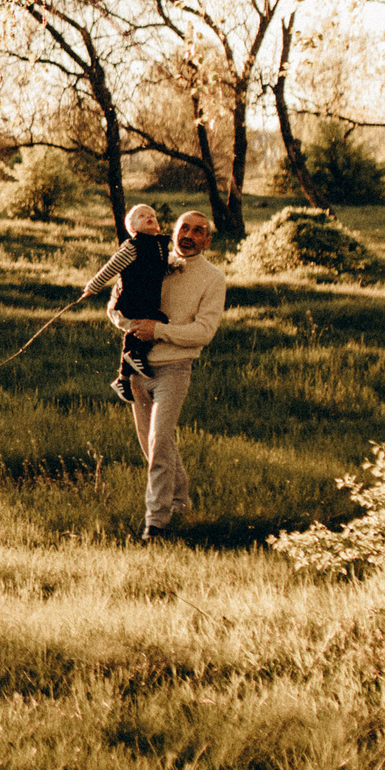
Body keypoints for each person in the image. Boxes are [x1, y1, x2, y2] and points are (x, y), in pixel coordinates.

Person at [107, 209, 225, 538]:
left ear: (207, 240)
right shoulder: (149, 259)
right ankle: (180, 501)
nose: (189, 235)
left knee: (159, 443)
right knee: (155, 444)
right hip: (136, 366)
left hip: (174, 368)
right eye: (184, 227)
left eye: (198, 231)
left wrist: (158, 330)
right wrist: (133, 326)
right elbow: (115, 306)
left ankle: (155, 522)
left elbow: (203, 332)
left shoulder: (213, 278)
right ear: (172, 231)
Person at [107, 204, 169, 406]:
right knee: (139, 330)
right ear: (132, 227)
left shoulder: (158, 245)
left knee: (153, 325)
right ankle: (134, 356)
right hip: (129, 301)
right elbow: (111, 268)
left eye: (152, 215)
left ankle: (123, 379)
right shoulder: (132, 246)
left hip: (144, 301)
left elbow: (157, 268)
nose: (149, 217)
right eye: (142, 216)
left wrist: (173, 267)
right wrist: (92, 286)